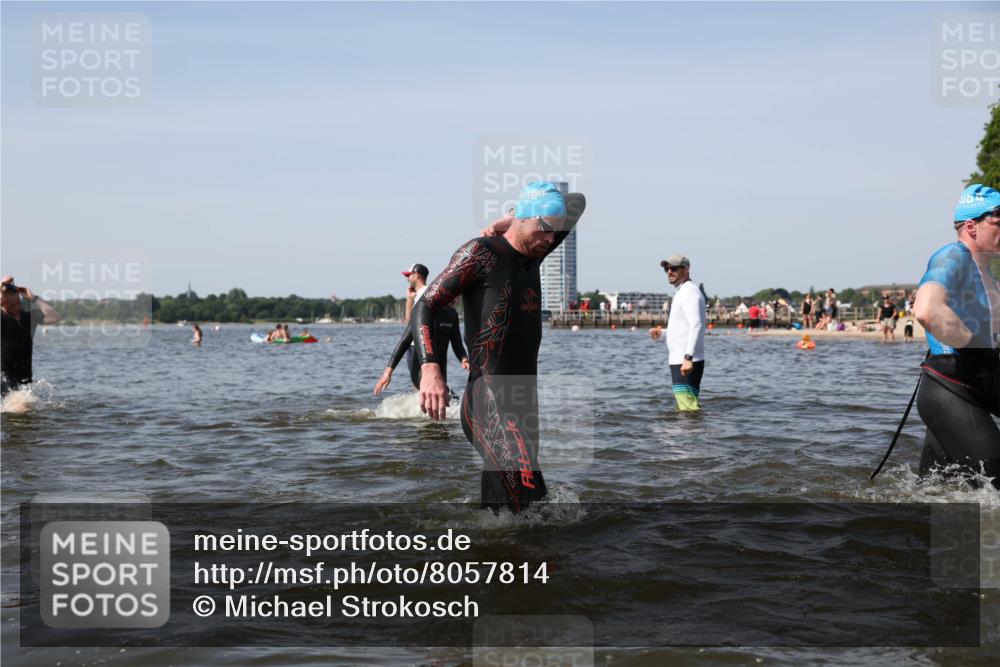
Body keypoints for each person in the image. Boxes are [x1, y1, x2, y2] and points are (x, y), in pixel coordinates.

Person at [413, 182, 586, 513]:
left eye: (556, 231)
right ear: (525, 218)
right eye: (545, 229)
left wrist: (508, 217)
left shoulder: (537, 250)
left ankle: (481, 558)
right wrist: (431, 368)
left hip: (523, 404)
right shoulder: (481, 253)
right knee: (533, 507)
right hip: (487, 404)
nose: (552, 239)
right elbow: (426, 306)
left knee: (502, 515)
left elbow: (578, 202)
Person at [913, 184, 1000, 488]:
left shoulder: (987, 274)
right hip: (951, 388)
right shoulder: (954, 255)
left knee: (938, 495)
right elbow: (926, 309)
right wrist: (971, 346)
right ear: (971, 226)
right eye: (999, 222)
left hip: (972, 389)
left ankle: (913, 533)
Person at [374, 298, 470, 395]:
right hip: (420, 369)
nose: (457, 300)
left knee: (443, 401)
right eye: (455, 296)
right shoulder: (424, 311)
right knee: (448, 397)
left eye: (458, 296)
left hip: (441, 368)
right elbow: (404, 342)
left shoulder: (452, 314)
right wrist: (388, 373)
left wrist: (464, 359)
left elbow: (457, 342)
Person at [659, 255, 706, 411]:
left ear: (686, 269)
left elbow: (696, 324)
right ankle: (691, 433)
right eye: (667, 269)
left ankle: (691, 434)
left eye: (673, 268)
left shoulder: (689, 292)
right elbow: (683, 327)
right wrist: (662, 332)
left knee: (687, 409)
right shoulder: (681, 291)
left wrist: (688, 358)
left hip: (685, 361)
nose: (669, 272)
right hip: (680, 360)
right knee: (687, 407)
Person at [1, 276, 61, 396]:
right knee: (21, 406)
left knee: (25, 407)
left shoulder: (29, 318)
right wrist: (1, 285)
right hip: (4, 380)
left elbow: (55, 317)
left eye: (19, 303)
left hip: (25, 381)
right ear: (2, 303)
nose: (17, 307)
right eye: (12, 305)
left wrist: (34, 298)